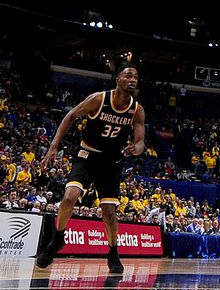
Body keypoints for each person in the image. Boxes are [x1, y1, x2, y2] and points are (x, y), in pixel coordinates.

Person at [36, 64, 146, 273]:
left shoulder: (136, 110)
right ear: (118, 79)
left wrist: (136, 148)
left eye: (136, 77)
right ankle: (58, 238)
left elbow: (140, 142)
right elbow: (71, 116)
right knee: (69, 197)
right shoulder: (99, 99)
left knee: (109, 212)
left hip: (111, 162)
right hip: (87, 155)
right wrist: (53, 146)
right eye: (128, 75)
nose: (133, 79)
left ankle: (113, 252)